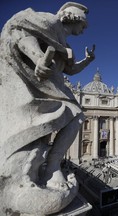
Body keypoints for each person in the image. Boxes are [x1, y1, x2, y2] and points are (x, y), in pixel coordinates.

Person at [0, 2, 95, 215]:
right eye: (84, 24)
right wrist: (36, 58)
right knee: (73, 115)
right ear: (74, 18)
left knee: (76, 116)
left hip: (53, 84)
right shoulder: (49, 21)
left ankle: (51, 165)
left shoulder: (66, 43)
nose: (84, 30)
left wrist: (88, 61)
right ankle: (49, 167)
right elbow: (21, 32)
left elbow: (71, 70)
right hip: (37, 83)